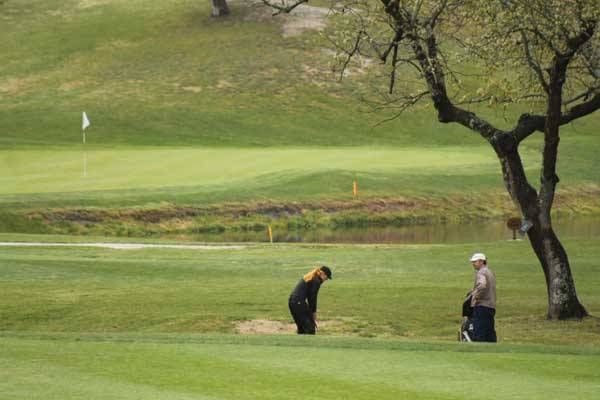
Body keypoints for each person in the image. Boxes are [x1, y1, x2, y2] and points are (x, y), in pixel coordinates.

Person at [288, 265, 332, 334]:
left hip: (293, 302)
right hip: (298, 303)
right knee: (310, 329)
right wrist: (313, 312)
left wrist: (310, 312)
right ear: (322, 274)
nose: (325, 280)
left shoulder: (313, 277)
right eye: (326, 277)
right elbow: (312, 297)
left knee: (302, 329)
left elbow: (309, 296)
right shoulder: (316, 280)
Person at [468, 252, 497, 342]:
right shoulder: (490, 272)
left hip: (482, 306)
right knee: (489, 332)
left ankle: (479, 352)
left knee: (479, 332)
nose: (473, 264)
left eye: (475, 261)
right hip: (491, 306)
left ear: (481, 261)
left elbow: (482, 285)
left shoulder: (481, 272)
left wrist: (475, 296)